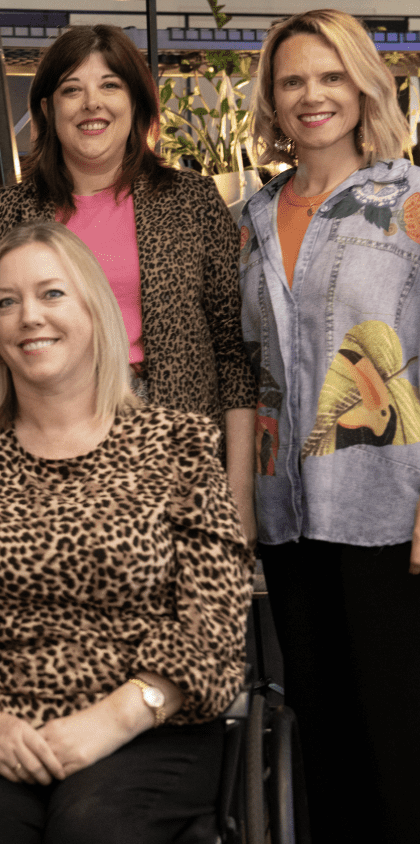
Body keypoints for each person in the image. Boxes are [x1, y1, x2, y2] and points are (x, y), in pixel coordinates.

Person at [0, 220, 253, 843]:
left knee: (95, 826)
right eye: (7, 303)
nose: (29, 316)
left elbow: (214, 620)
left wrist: (111, 721)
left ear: (94, 308)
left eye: (51, 294)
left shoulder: (178, 443)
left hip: (148, 726)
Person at [0, 24, 257, 544]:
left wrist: (238, 492)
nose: (91, 104)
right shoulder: (5, 213)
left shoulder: (192, 202)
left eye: (110, 85)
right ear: (48, 109)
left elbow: (233, 354)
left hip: (175, 458)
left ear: (137, 102)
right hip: (41, 448)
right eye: (72, 88)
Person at [239, 9, 420, 842]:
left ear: (362, 85)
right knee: (323, 736)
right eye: (292, 81)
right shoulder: (249, 217)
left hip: (387, 509)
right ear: (272, 100)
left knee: (397, 738)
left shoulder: (408, 202)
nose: (312, 96)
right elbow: (245, 370)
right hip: (286, 515)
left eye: (330, 76)